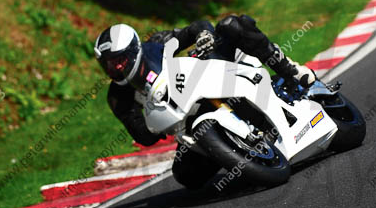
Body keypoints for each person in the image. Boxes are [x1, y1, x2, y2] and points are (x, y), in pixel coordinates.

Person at [94, 15, 315, 187]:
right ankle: (233, 153)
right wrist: (149, 128)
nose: (117, 68)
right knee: (186, 176)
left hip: (210, 77)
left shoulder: (157, 44)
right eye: (109, 65)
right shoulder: (118, 97)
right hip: (187, 121)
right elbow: (142, 134)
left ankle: (291, 70)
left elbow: (195, 28)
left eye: (119, 61)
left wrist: (204, 36)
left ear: (133, 51)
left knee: (231, 25)